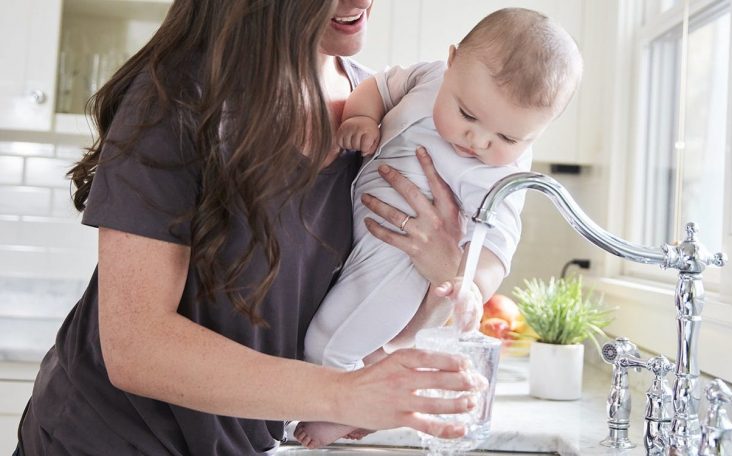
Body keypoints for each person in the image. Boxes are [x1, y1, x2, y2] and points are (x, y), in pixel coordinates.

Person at [14, 1, 485, 455]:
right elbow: (137, 346)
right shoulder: (177, 100)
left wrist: (447, 272)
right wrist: (345, 393)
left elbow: (384, 320)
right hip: (107, 441)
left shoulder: (386, 113)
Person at [295, 7, 583, 448]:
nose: (479, 141)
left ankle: (343, 414)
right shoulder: (427, 77)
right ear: (451, 62)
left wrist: (469, 285)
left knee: (327, 343)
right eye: (467, 114)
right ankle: (367, 396)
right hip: (357, 240)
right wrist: (361, 118)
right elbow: (378, 86)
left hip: (397, 267)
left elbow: (497, 246)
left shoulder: (501, 177)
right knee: (357, 344)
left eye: (508, 139)